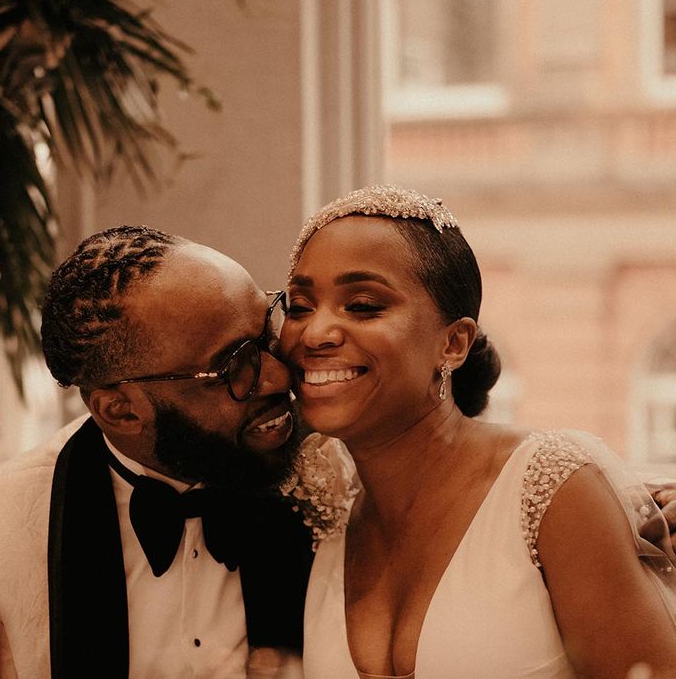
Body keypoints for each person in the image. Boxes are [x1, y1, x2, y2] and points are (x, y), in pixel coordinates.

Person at [278, 185, 676, 678]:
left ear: (454, 343)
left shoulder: (551, 489)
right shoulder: (320, 510)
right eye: (298, 306)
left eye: (362, 305)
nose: (315, 333)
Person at [0, 226, 313, 679]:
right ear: (120, 411)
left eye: (267, 331)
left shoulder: (342, 472)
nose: (278, 378)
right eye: (232, 366)